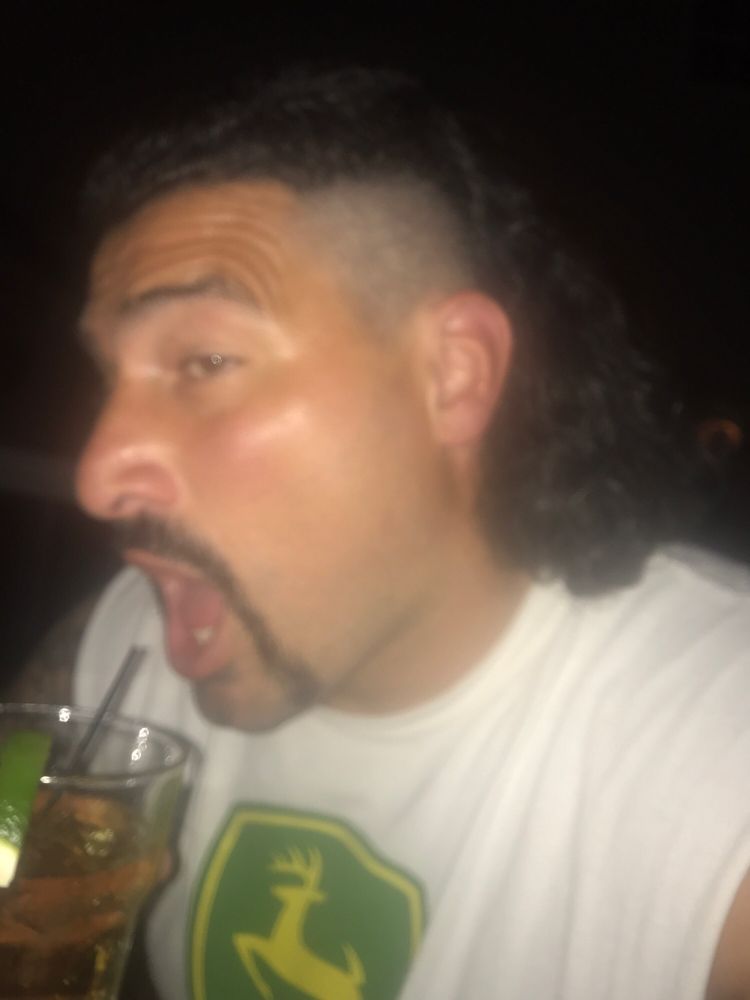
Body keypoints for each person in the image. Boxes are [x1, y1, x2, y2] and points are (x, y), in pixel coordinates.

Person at [30, 68, 750, 998]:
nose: (96, 476)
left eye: (205, 360)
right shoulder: (129, 642)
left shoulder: (711, 733)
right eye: (109, 379)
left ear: (453, 376)